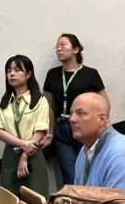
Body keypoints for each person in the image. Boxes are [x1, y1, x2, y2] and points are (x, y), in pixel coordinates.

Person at [43, 33, 107, 186]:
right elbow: (49, 106)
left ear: (76, 49)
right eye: (57, 46)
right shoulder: (52, 74)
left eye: (63, 45)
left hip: (86, 128)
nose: (59, 49)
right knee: (71, 175)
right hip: (62, 129)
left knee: (91, 171)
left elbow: (103, 101)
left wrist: (103, 125)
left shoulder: (90, 74)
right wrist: (50, 132)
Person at [0, 55, 50, 197]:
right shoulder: (2, 102)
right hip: (10, 155)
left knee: (36, 202)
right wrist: (23, 144)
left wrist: (25, 155)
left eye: (17, 70)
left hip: (33, 155)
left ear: (28, 74)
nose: (12, 74)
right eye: (8, 70)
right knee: (10, 203)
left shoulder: (40, 101)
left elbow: (41, 131)